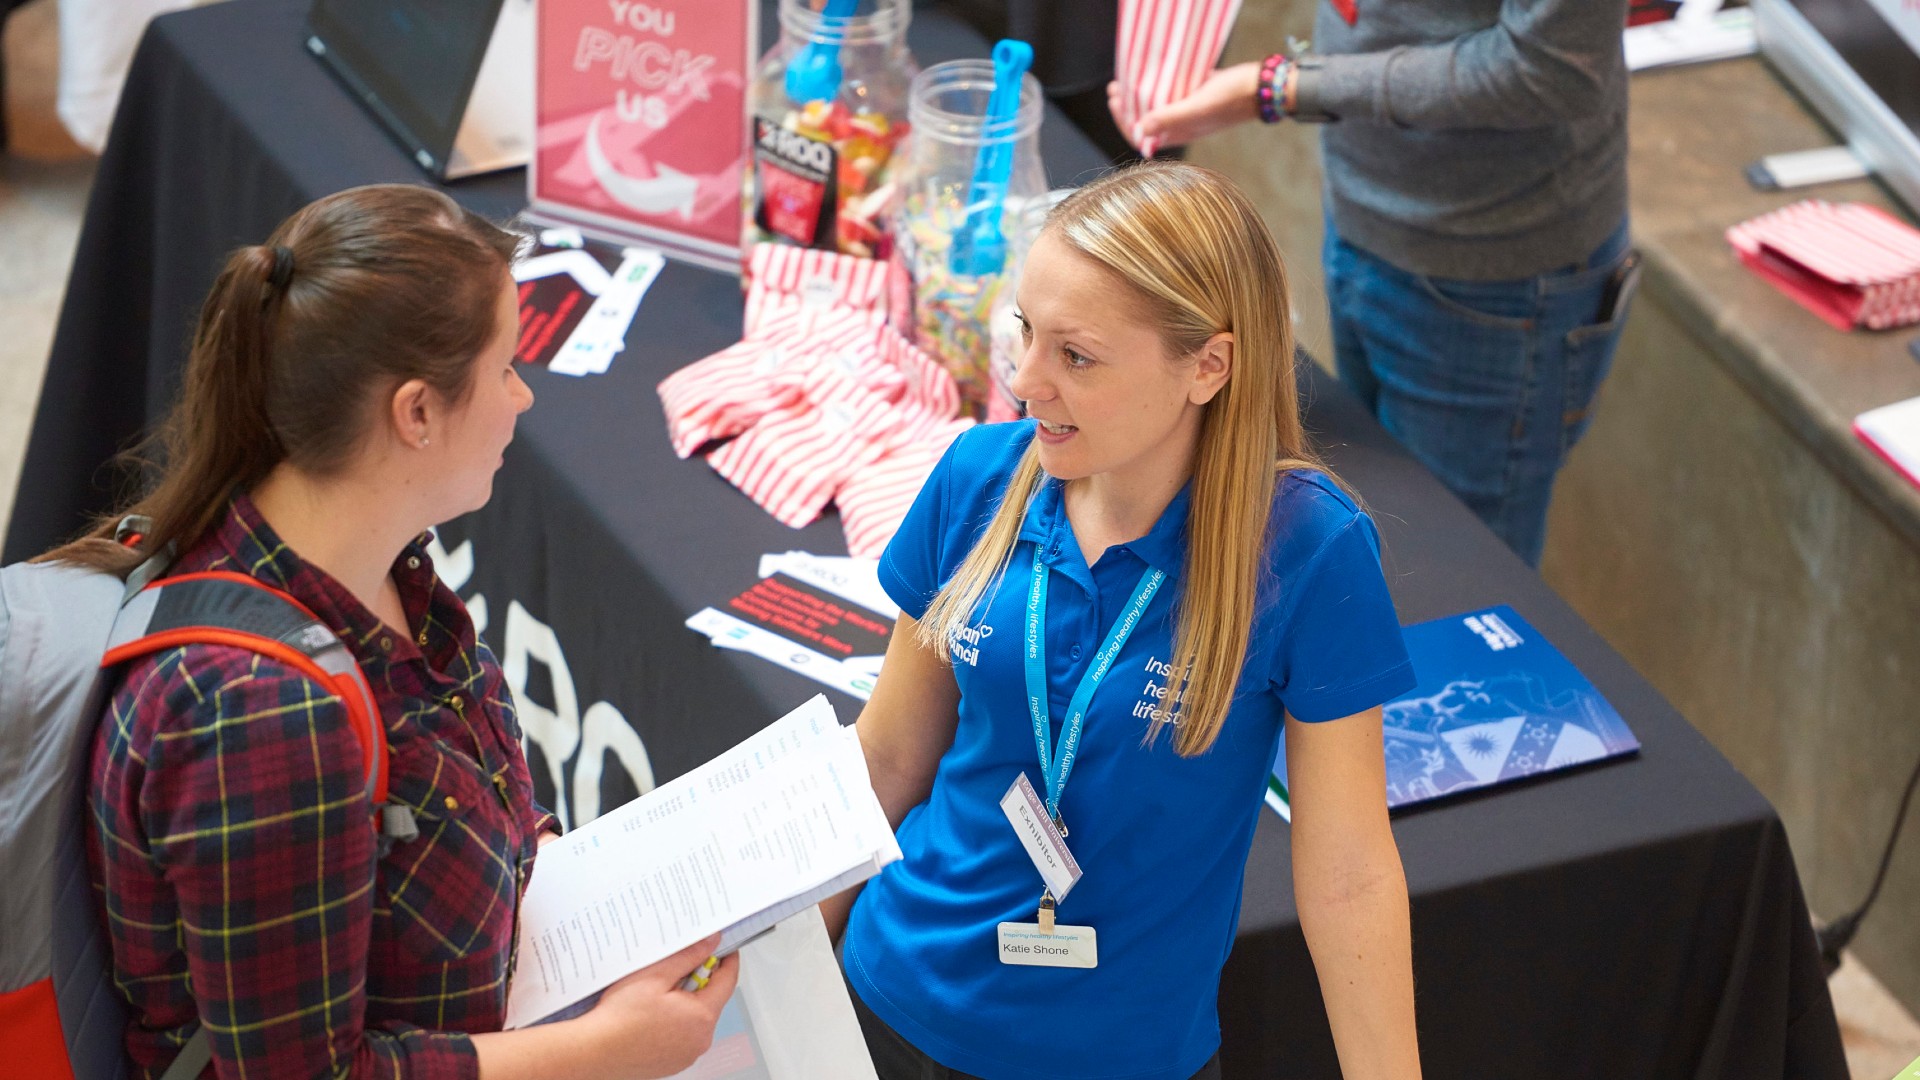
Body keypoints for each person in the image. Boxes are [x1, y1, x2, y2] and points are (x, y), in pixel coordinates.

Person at [47, 184, 738, 1079]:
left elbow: (448, 803)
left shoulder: (366, 564)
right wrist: (611, 1052)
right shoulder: (257, 718)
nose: (523, 399)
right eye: (505, 370)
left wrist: (559, 865)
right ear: (415, 413)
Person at [822, 163, 1421, 1080]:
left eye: (1077, 356)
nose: (1025, 383)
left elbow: (1347, 872)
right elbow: (888, 758)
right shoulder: (978, 476)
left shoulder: (1309, 550)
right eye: (1025, 333)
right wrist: (779, 985)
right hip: (886, 1008)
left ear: (1207, 366)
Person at [1116, 0, 1637, 566]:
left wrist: (1285, 87)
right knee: (1376, 530)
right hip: (1368, 213)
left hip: (1492, 275)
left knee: (1450, 579)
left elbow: (1553, 70)